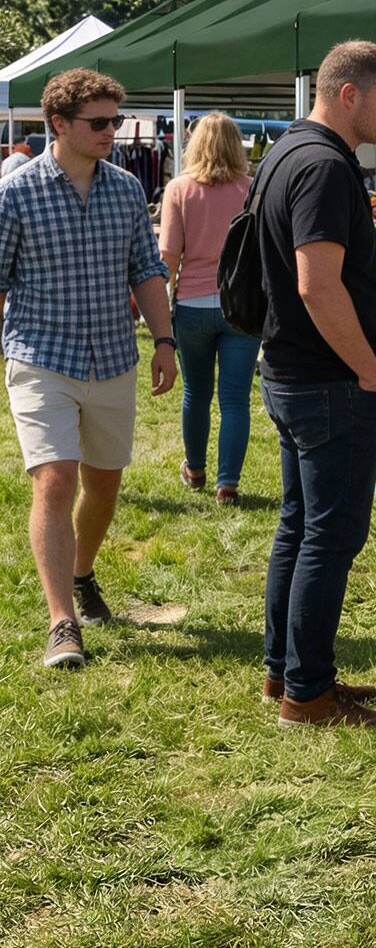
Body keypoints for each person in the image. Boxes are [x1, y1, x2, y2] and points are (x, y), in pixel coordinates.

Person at [0, 69, 176, 668]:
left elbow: (146, 269)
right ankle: (61, 624)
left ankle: (81, 572)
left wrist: (165, 340)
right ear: (59, 124)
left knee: (104, 484)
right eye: (98, 122)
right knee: (56, 480)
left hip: (111, 358)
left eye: (115, 121)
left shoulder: (127, 190)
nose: (111, 132)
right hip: (40, 357)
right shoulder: (16, 194)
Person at [256, 40, 376, 728]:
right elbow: (318, 285)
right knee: (329, 537)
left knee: (300, 529)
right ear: (348, 94)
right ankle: (306, 695)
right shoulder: (322, 166)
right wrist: (369, 371)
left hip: (293, 373)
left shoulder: (290, 149)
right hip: (326, 382)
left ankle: (288, 674)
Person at [159, 113, 257, 504]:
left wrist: (162, 304)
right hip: (241, 306)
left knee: (196, 393)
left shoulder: (178, 189)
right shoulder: (251, 189)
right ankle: (228, 482)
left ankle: (195, 469)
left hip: (192, 303)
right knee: (235, 398)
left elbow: (168, 254)